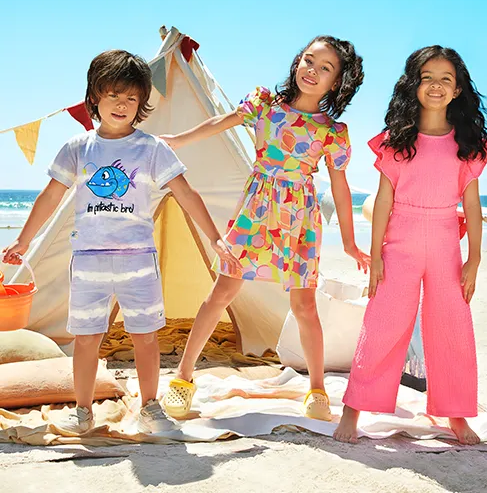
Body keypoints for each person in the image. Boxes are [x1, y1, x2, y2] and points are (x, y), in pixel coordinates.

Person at [2, 50, 239, 435]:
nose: (122, 104)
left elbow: (188, 193)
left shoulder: (152, 149)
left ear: (142, 103)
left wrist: (216, 239)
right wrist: (24, 240)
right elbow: (50, 195)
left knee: (146, 337)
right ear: (95, 96)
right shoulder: (78, 148)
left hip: (139, 259)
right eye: (114, 94)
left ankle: (150, 405)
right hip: (89, 260)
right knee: (86, 339)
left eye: (132, 98)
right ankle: (82, 410)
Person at [161, 35, 370, 421]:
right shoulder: (265, 106)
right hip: (257, 208)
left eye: (325, 68)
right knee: (223, 290)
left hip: (301, 219)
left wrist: (352, 243)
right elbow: (220, 123)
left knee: (304, 305)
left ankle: (317, 390)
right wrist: (178, 140)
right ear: (297, 62)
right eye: (309, 60)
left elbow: (339, 187)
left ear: (336, 83)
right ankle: (183, 378)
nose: (313, 71)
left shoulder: (331, 132)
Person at [334, 45, 487, 444]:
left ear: (458, 90)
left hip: (445, 242)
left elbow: (472, 206)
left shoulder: (467, 143)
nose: (436, 86)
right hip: (399, 241)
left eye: (446, 79)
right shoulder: (396, 140)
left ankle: (455, 414)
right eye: (428, 78)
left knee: (451, 326)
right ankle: (352, 411)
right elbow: (384, 199)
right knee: (384, 323)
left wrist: (474, 259)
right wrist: (375, 258)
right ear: (414, 84)